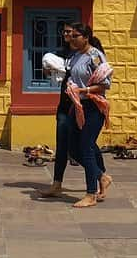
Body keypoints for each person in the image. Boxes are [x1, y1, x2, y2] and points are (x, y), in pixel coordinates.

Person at [41, 22, 111, 208]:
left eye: (75, 36)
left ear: (85, 37)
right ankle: (101, 176)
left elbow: (104, 84)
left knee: (86, 147)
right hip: (76, 106)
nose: (72, 39)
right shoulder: (74, 57)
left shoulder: (95, 56)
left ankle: (91, 193)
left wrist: (84, 90)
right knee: (73, 147)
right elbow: (66, 75)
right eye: (70, 36)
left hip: (93, 106)